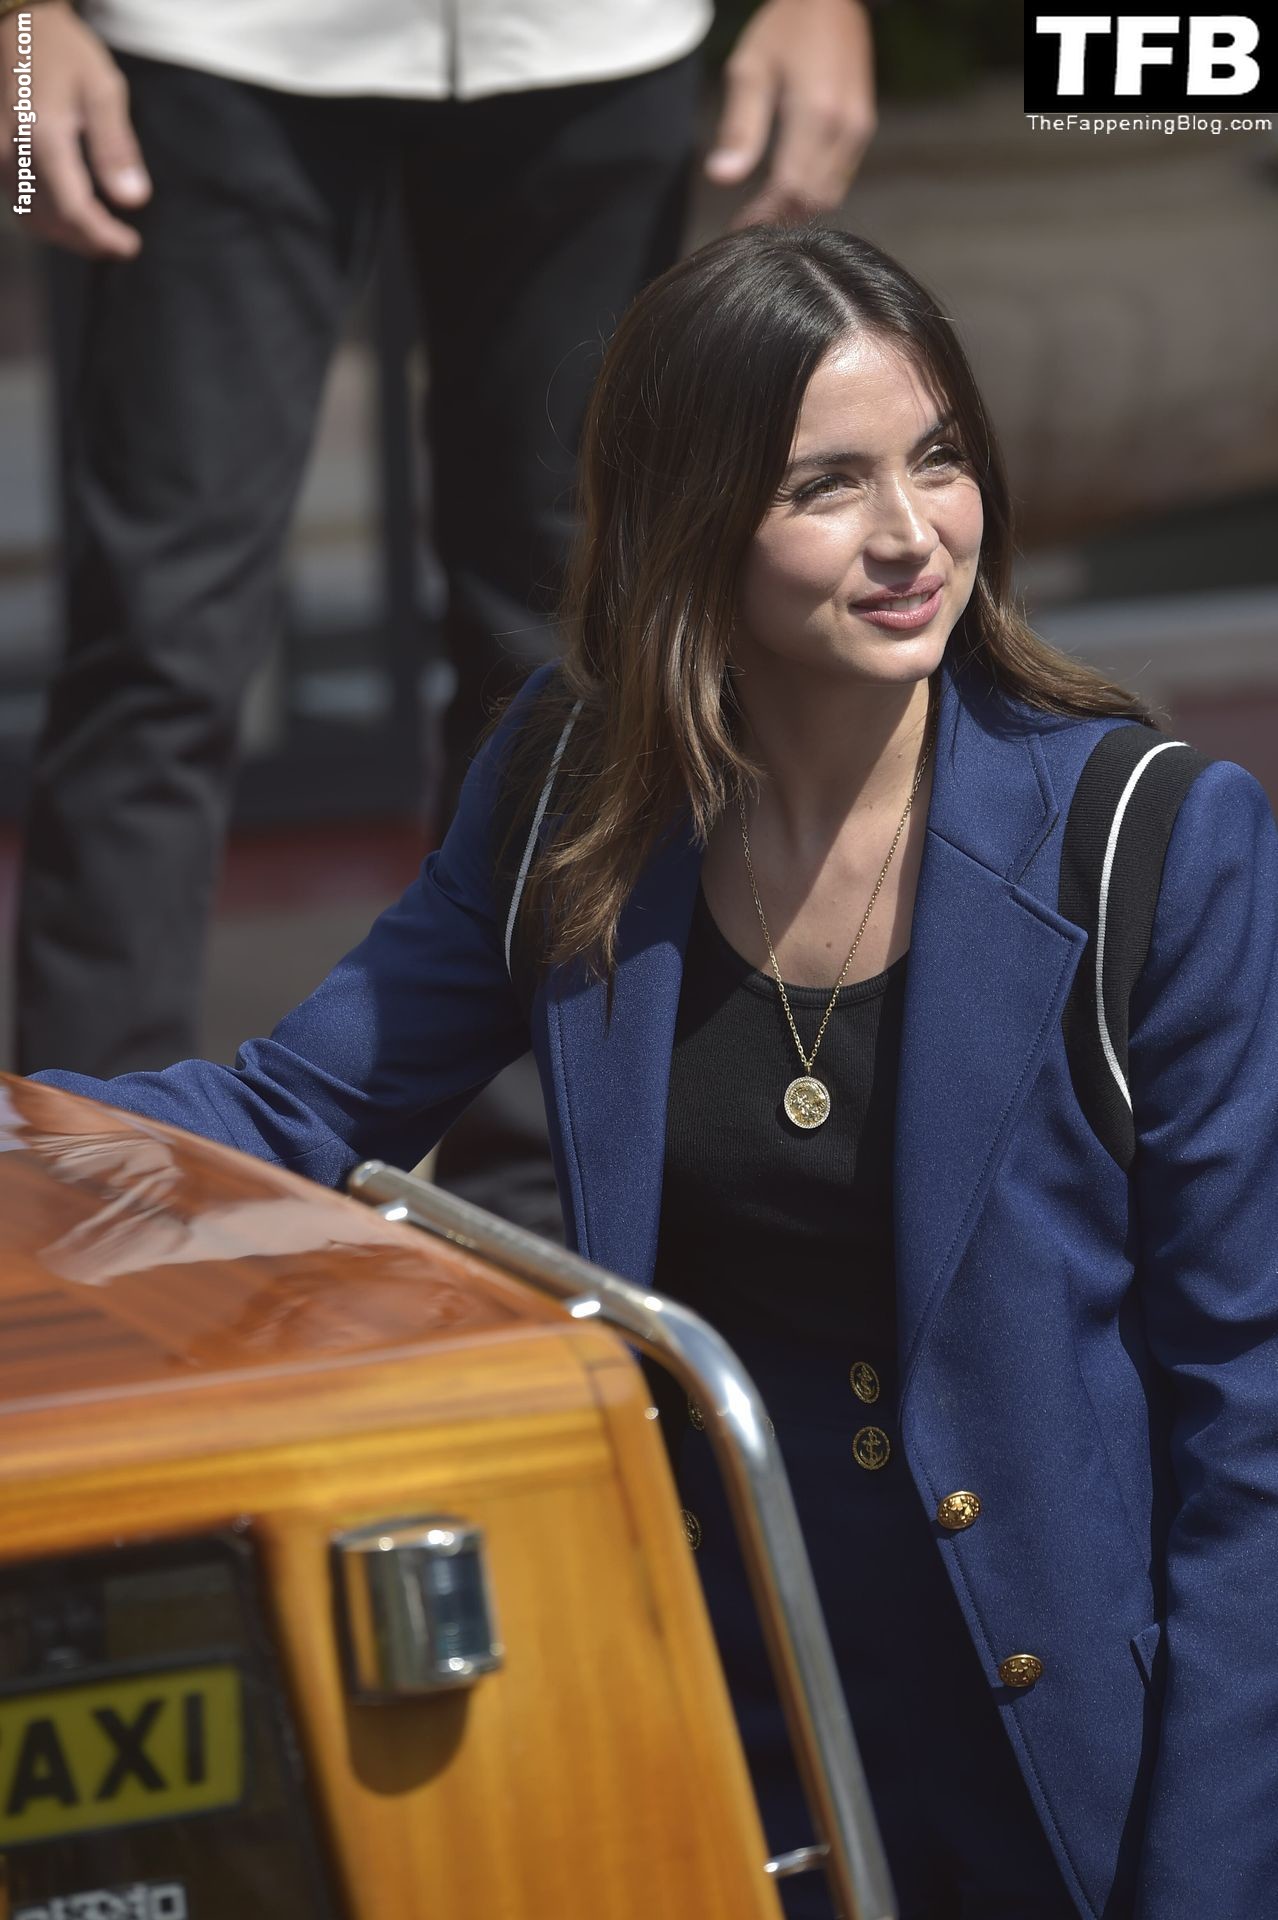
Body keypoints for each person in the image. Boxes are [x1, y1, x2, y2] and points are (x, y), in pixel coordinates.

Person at [31, 225, 1278, 1919]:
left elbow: (1246, 1412)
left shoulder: (1155, 841)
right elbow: (295, 1108)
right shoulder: (573, 784)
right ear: (688, 517)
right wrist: (24, 1135)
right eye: (824, 486)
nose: (909, 533)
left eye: (936, 460)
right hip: (721, 1700)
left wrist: (1206, 1887)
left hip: (1069, 1745)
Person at [0, 0, 877, 1084]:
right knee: (157, 630)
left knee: (573, 635)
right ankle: (86, 1149)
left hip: (595, 49)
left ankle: (536, 1159)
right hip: (208, 50)